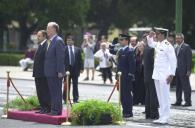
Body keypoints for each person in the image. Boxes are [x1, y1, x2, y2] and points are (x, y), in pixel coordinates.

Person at [147, 28, 177, 124]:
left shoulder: (168, 45)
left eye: (158, 34)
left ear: (163, 35)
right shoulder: (158, 44)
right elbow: (150, 44)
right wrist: (149, 36)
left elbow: (173, 61)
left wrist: (172, 74)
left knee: (165, 96)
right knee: (160, 96)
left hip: (165, 74)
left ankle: (166, 117)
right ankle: (162, 116)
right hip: (157, 74)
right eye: (156, 34)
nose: (156, 35)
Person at [44, 22, 65, 116]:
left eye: (48, 28)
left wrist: (60, 71)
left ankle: (56, 110)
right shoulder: (52, 40)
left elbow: (60, 57)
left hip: (55, 72)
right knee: (52, 91)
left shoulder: (58, 40)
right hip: (50, 71)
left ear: (54, 29)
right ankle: (55, 109)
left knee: (56, 91)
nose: (47, 30)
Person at [117, 34, 136, 118]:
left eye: (122, 40)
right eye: (120, 40)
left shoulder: (130, 51)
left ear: (126, 41)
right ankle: (124, 110)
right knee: (122, 95)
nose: (120, 41)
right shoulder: (121, 51)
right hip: (121, 77)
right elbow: (119, 65)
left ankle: (129, 111)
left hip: (127, 77)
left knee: (127, 95)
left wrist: (130, 75)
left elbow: (132, 65)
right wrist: (117, 76)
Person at [172, 33, 192, 107]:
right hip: (177, 70)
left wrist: (189, 70)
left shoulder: (186, 47)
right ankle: (178, 101)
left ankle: (188, 101)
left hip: (184, 70)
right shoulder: (176, 47)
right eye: (176, 38)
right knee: (178, 86)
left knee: (186, 86)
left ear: (182, 39)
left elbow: (189, 59)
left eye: (179, 38)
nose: (177, 40)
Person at [33, 30, 50, 114]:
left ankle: (47, 107)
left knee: (44, 91)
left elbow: (46, 60)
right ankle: (42, 107)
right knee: (39, 91)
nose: (37, 37)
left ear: (44, 36)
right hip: (37, 73)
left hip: (43, 73)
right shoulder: (40, 45)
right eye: (37, 36)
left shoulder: (46, 45)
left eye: (39, 36)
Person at [63, 34, 84, 103]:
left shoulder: (77, 49)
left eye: (70, 40)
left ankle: (75, 99)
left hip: (75, 70)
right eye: (67, 40)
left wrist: (81, 68)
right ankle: (66, 99)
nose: (68, 42)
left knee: (75, 85)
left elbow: (80, 59)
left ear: (73, 41)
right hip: (67, 70)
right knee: (66, 85)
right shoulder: (64, 49)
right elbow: (61, 60)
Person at [142, 34, 159, 119]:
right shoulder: (152, 49)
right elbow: (154, 64)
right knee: (153, 95)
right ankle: (154, 114)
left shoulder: (146, 48)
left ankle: (148, 114)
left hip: (147, 75)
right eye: (154, 38)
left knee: (148, 95)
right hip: (152, 75)